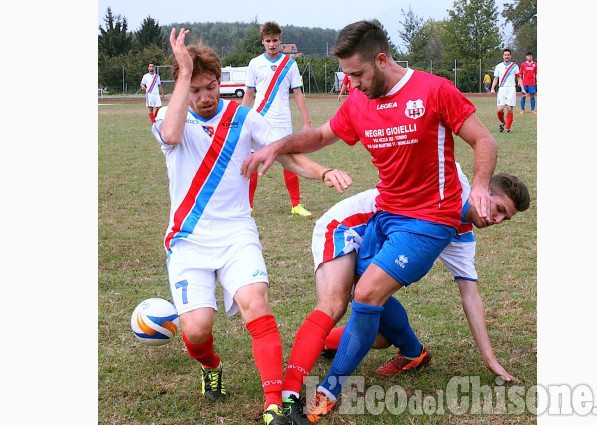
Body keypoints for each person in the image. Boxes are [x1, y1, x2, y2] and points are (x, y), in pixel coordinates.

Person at [241, 20, 498, 422]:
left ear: (381, 60)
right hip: (386, 215)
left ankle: (324, 395)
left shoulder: (433, 90)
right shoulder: (359, 101)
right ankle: (414, 351)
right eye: (346, 75)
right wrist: (278, 145)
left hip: (430, 220)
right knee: (367, 291)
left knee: (364, 295)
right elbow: (321, 135)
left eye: (357, 74)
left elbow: (485, 139)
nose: (352, 83)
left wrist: (480, 187)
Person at [152, 28, 352, 425]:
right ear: (182, 89)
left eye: (211, 87)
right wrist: (184, 72)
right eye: (195, 90)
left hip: (236, 234)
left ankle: (273, 404)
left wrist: (322, 170)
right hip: (188, 240)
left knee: (257, 303)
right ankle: (211, 366)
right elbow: (172, 135)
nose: (205, 97)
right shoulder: (167, 118)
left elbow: (286, 155)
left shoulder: (244, 118)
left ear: (221, 83)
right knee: (195, 330)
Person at [280, 166, 530, 424]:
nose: (496, 221)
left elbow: (471, 296)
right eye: (499, 209)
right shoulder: (451, 177)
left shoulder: (462, 238)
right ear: (483, 189)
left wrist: (490, 359)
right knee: (336, 303)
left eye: (505, 218)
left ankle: (412, 352)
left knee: (378, 331)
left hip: (380, 240)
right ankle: (299, 395)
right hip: (347, 226)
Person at [242, 21, 313, 217]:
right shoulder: (255, 63)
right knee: (253, 162)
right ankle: (247, 205)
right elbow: (249, 93)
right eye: (268, 41)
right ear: (262, 42)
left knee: (289, 163)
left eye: (275, 40)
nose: (272, 44)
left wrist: (306, 121)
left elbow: (298, 93)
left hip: (283, 122)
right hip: (258, 120)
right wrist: (239, 118)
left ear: (280, 40)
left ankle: (296, 205)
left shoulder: (290, 64)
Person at [490, 49, 523, 133]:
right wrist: (492, 88)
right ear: (503, 56)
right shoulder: (499, 66)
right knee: (500, 109)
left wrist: (523, 89)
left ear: (510, 56)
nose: (507, 56)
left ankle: (507, 129)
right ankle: (502, 122)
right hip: (502, 89)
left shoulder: (514, 66)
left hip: (511, 89)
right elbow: (496, 78)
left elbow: (519, 77)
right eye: (505, 55)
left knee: (509, 109)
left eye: (508, 55)